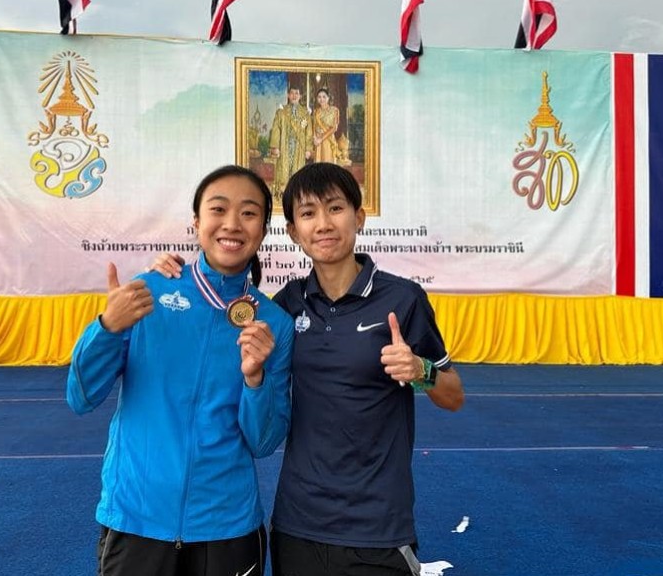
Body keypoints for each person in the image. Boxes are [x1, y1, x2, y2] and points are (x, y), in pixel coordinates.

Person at [151, 162, 465, 576]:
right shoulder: (286, 305)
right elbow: (222, 308)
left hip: (378, 526)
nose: (323, 224)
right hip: (297, 524)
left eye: (335, 208)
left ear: (358, 217)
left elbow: (453, 395)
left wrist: (421, 369)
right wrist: (174, 276)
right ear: (294, 231)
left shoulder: (403, 299)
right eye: (308, 213)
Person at [66, 165, 294, 576]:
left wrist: (254, 380)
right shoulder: (148, 293)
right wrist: (107, 328)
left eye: (248, 213)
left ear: (262, 231)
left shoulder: (273, 323)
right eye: (218, 209)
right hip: (137, 518)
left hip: (227, 526)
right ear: (196, 223)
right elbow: (80, 397)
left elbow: (263, 442)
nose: (232, 224)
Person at [268, 86, 312, 199]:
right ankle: (283, 193)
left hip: (299, 146)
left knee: (298, 169)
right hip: (284, 145)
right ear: (288, 95)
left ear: (300, 96)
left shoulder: (305, 113)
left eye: (297, 93)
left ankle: (297, 193)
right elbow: (276, 129)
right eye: (292, 93)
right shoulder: (281, 112)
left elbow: (309, 132)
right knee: (283, 169)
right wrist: (275, 146)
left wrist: (308, 149)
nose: (294, 96)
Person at [311, 87, 340, 163]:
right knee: (318, 165)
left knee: (328, 164)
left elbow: (334, 128)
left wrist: (321, 139)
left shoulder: (334, 110)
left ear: (328, 98)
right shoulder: (316, 112)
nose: (321, 99)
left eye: (324, 97)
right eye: (319, 97)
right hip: (317, 141)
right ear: (317, 99)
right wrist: (314, 138)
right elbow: (313, 126)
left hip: (328, 140)